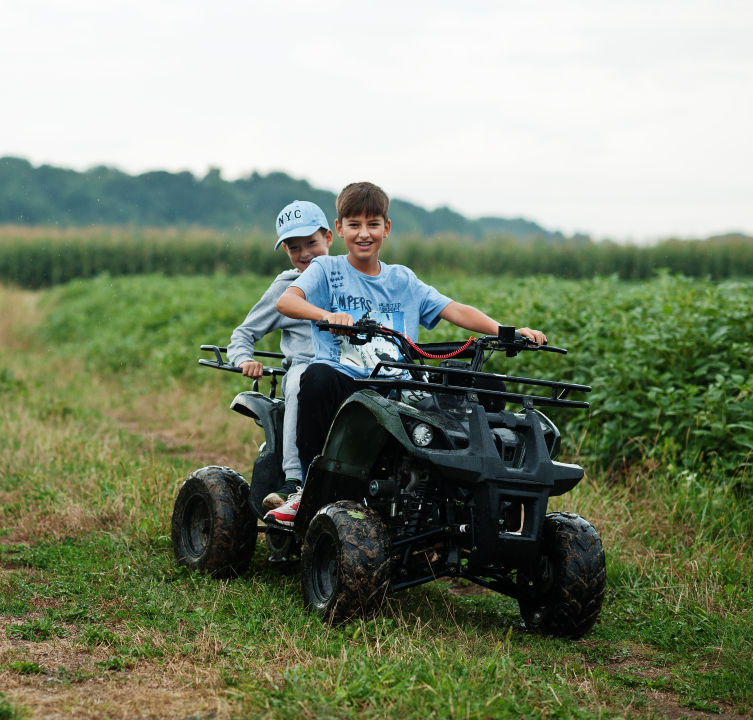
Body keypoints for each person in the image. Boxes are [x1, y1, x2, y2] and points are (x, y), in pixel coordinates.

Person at [265, 182, 547, 526]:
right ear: (339, 230)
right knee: (315, 376)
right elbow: (287, 301)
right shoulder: (327, 270)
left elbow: (454, 309)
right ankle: (307, 488)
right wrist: (327, 316)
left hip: (396, 385)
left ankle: (471, 493)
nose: (363, 234)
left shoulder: (403, 280)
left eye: (372, 224)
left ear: (386, 227)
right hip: (346, 383)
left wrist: (508, 333)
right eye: (354, 225)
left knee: (482, 383)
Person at [227, 200, 334, 510]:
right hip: (306, 366)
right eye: (293, 247)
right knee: (302, 379)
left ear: (328, 237)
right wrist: (244, 358)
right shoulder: (286, 287)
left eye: (311, 242)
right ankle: (293, 480)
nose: (304, 254)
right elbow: (243, 333)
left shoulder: (348, 278)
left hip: (349, 369)